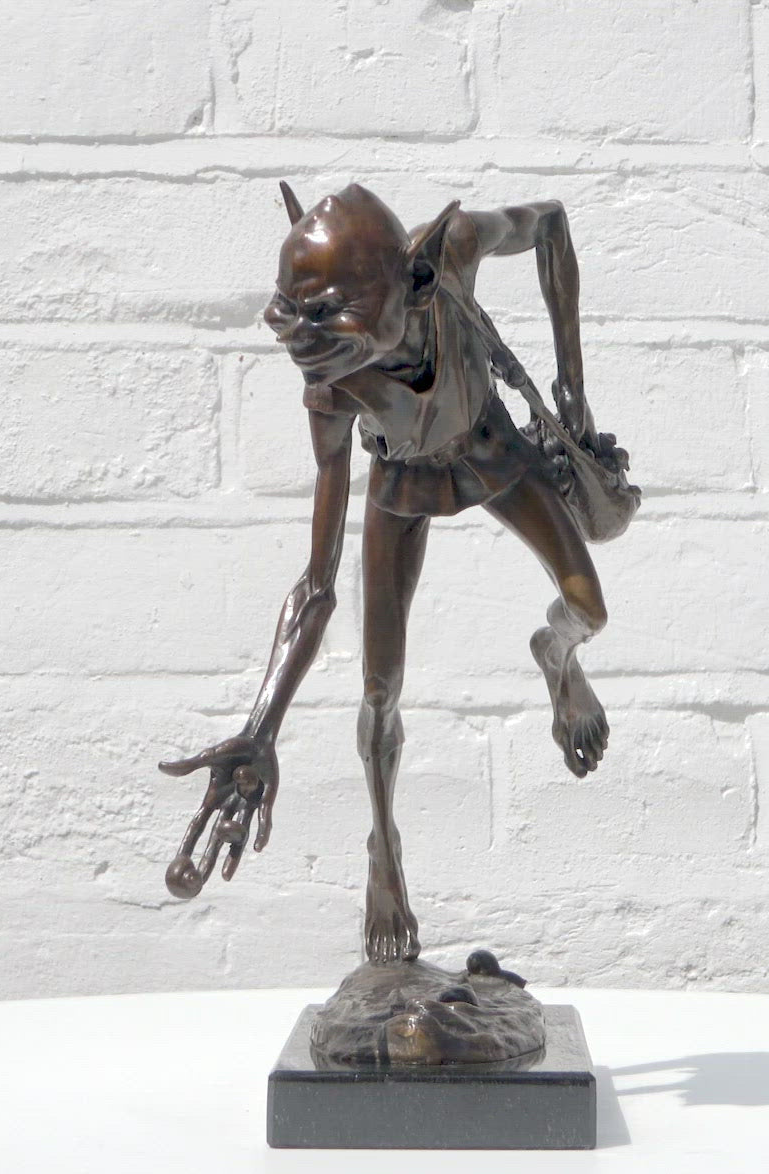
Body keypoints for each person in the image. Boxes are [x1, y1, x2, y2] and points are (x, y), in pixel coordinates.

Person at [160, 183, 617, 964]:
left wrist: (572, 387)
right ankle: (384, 849)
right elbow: (317, 583)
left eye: (325, 314)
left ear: (415, 279)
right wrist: (262, 727)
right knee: (378, 692)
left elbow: (551, 225)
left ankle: (557, 657)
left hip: (493, 451)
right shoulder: (333, 391)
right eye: (288, 311)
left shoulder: (456, 250)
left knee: (588, 609)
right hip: (400, 486)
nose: (299, 338)